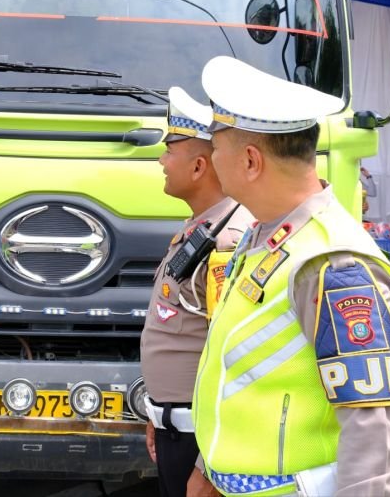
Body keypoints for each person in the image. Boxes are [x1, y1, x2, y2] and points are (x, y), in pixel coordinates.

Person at [191, 57, 390, 497]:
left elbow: (372, 426)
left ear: (251, 161)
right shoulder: (266, 235)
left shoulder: (333, 263)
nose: (210, 159)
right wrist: (208, 468)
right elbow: (240, 370)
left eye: (215, 147)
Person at [140, 87, 253, 497]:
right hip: (178, 426)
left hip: (201, 437)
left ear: (199, 166)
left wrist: (209, 465)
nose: (161, 160)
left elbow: (235, 359)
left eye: (170, 151)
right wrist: (158, 411)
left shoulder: (227, 240)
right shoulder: (203, 228)